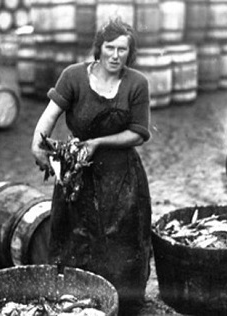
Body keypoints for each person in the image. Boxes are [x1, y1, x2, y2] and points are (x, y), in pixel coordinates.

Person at [31, 18, 152, 315]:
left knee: (121, 237)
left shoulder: (136, 84)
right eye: (109, 48)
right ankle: (77, 301)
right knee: (75, 235)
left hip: (121, 174)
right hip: (77, 171)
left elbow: (138, 132)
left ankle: (121, 304)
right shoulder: (73, 77)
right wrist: (37, 144)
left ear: (129, 53)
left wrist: (99, 142)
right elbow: (50, 116)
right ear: (98, 49)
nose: (115, 55)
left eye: (122, 49)